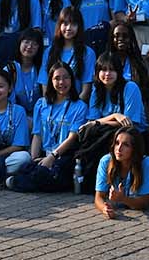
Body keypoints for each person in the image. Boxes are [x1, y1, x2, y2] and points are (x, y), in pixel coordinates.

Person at [10, 60, 89, 193]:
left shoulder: (80, 106)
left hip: (64, 156)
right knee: (27, 167)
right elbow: (37, 135)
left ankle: (14, 182)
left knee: (44, 175)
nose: (61, 82)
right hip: (44, 155)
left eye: (66, 78)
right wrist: (34, 159)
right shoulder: (41, 104)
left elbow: (72, 138)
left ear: (72, 80)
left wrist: (52, 156)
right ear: (51, 81)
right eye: (57, 78)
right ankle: (23, 180)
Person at [94, 127, 149, 217]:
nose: (119, 149)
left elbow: (144, 202)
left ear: (134, 149)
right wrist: (105, 209)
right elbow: (99, 197)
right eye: (117, 143)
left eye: (126, 145)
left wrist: (123, 199)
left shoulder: (146, 163)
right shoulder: (106, 161)